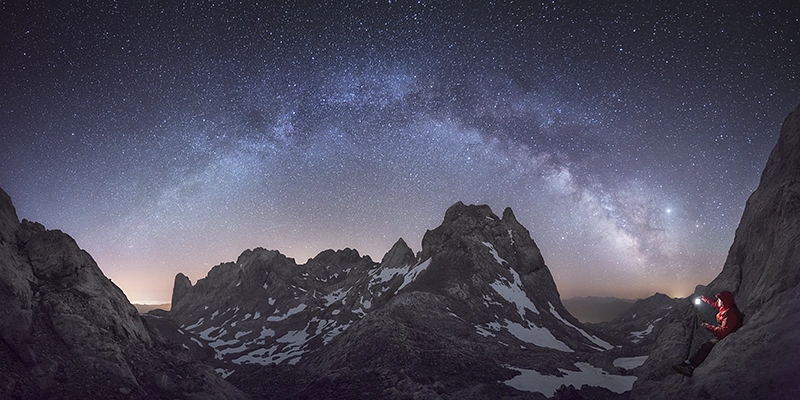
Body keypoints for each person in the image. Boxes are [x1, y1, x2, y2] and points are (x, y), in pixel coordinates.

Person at [672, 290, 743, 377]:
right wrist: (703, 298)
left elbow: (723, 332)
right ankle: (688, 362)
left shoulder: (730, 314)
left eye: (719, 300)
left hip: (727, 335)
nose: (718, 301)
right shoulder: (726, 308)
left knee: (707, 345)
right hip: (724, 333)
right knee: (704, 345)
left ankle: (691, 367)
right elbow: (714, 304)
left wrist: (708, 327)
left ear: (724, 301)